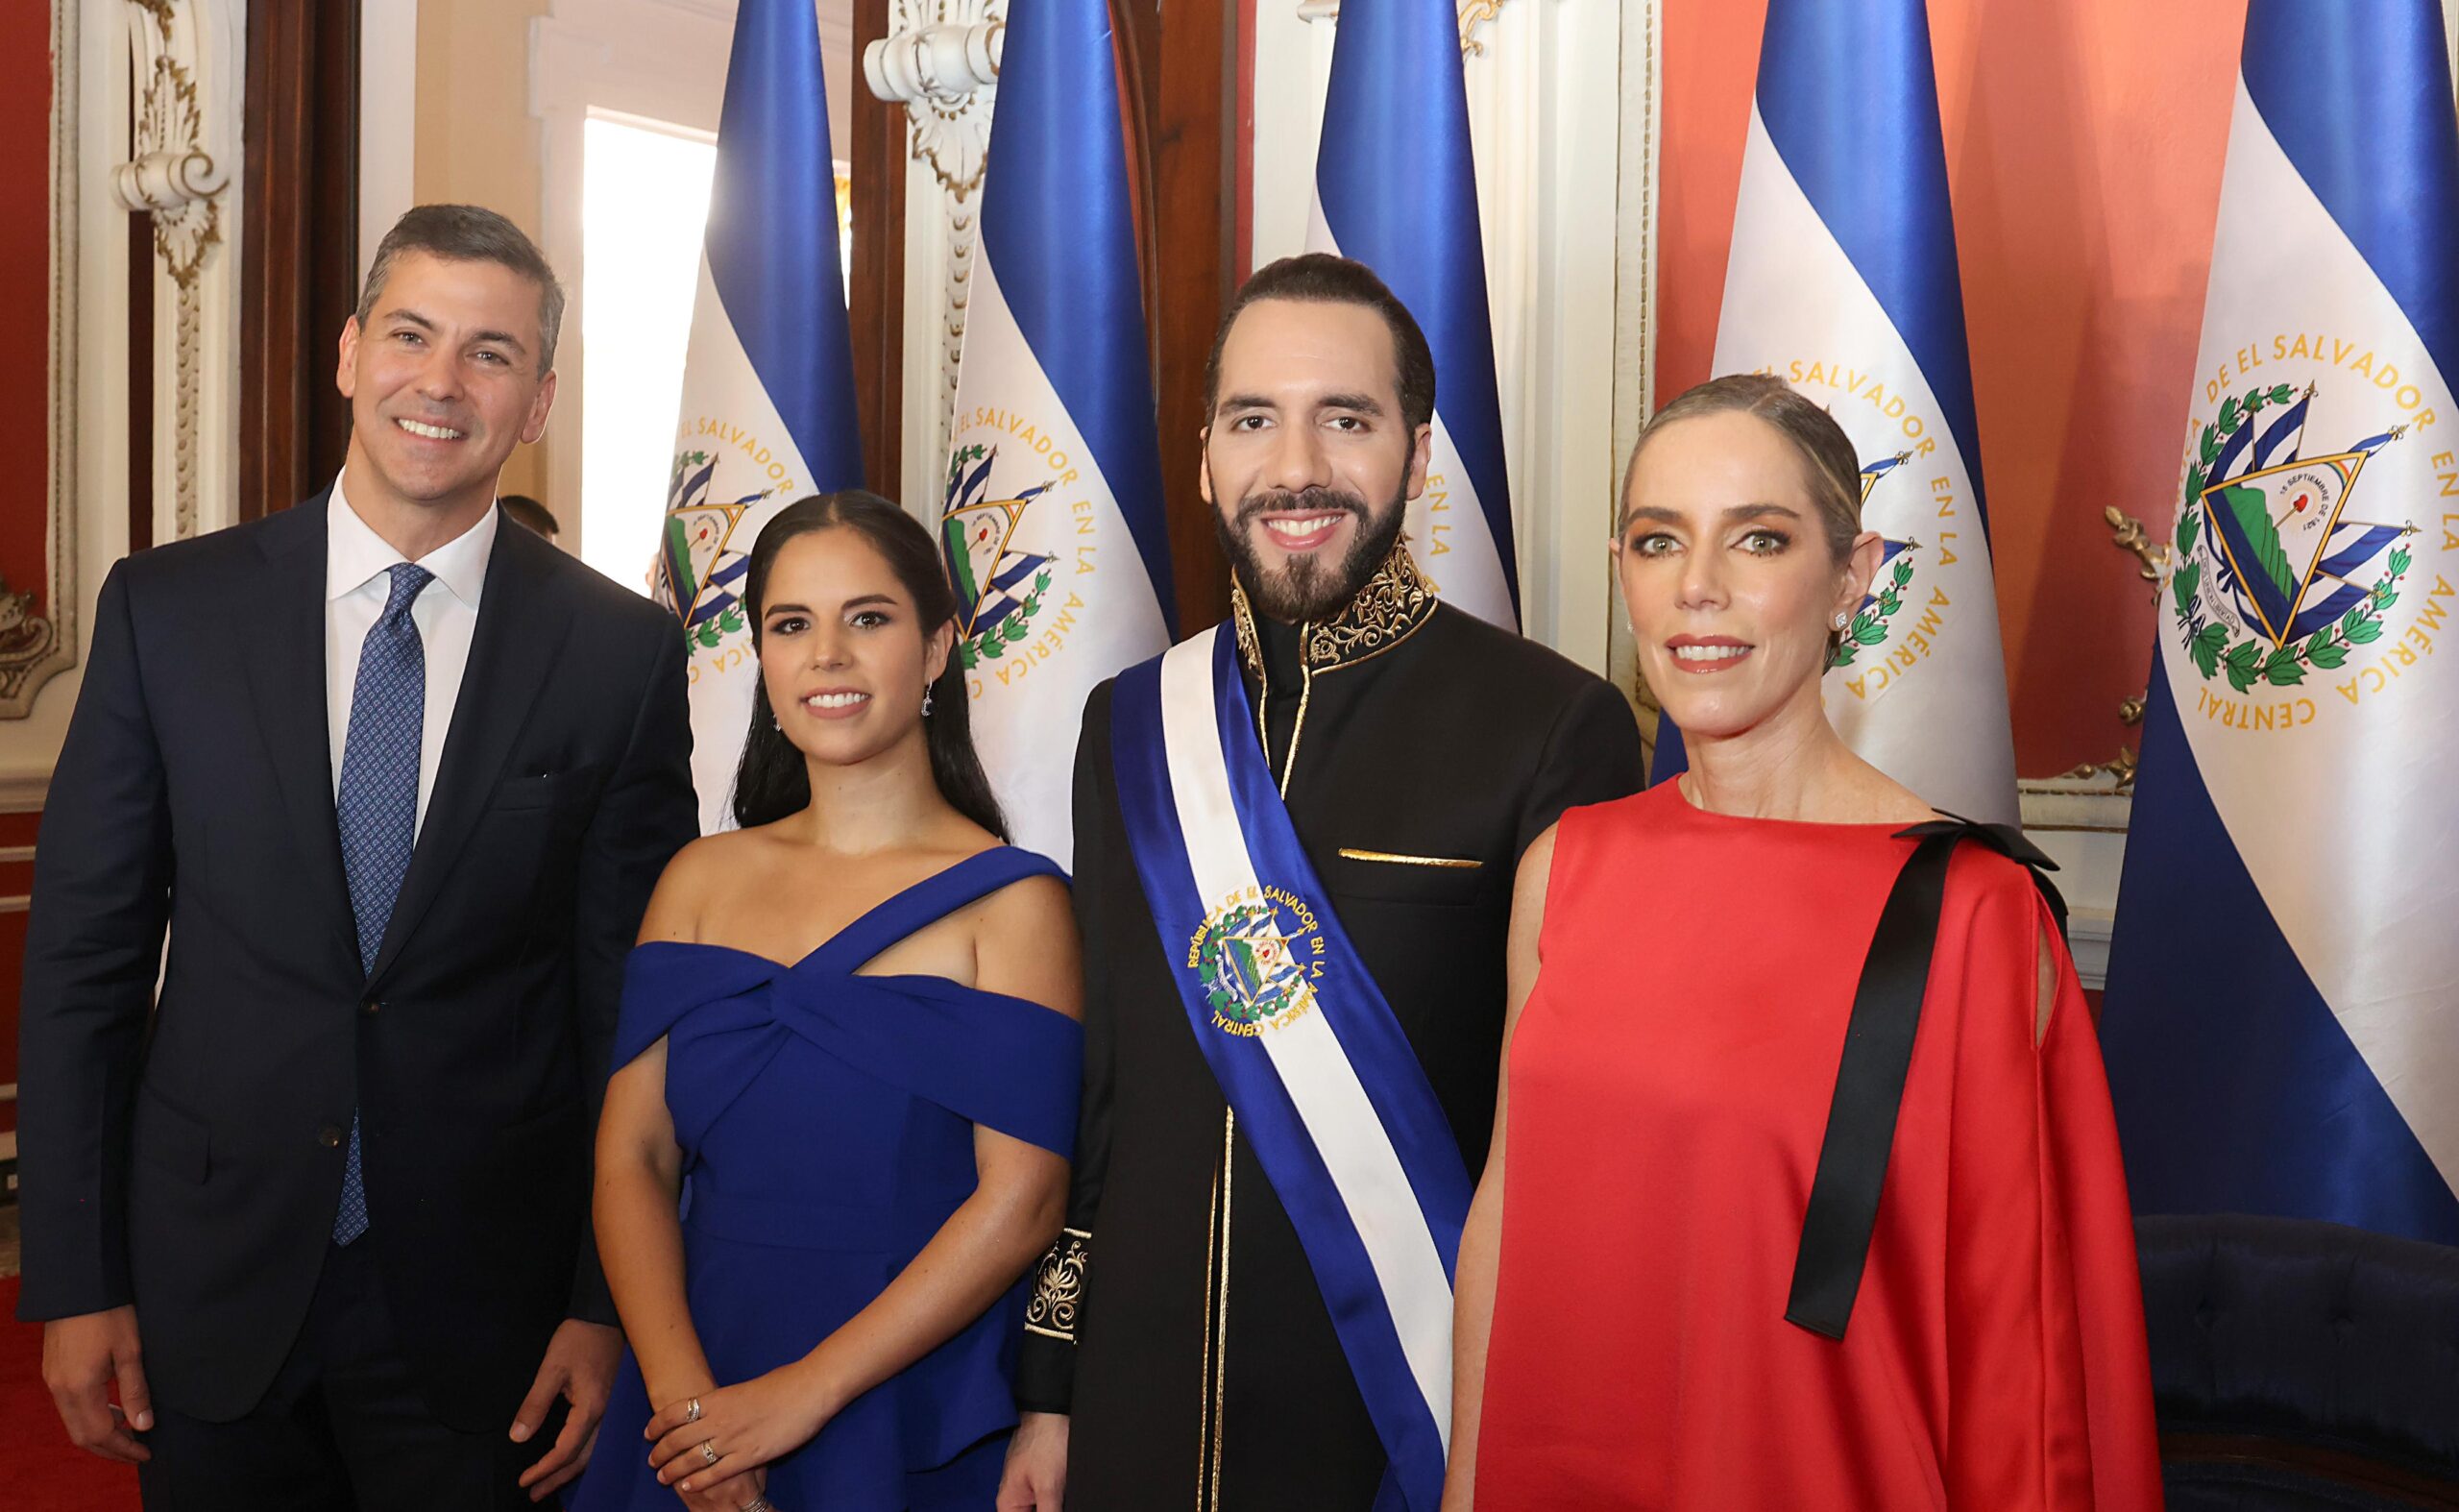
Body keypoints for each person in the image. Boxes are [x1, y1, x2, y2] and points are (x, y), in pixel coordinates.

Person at [17, 204, 699, 1507]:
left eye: (491, 353)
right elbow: (82, 968)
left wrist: (606, 1302)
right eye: (410, 334)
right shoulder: (166, 610)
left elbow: (631, 1010)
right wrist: (77, 1275)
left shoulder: (617, 654)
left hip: (488, 1312)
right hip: (207, 1284)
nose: (440, 382)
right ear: (348, 353)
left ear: (540, 397)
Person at [1445, 374, 2163, 1510]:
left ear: (1850, 580)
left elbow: (2020, 1347)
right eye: (1656, 539)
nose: (1698, 589)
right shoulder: (1566, 867)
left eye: (1760, 541)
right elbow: (1507, 1208)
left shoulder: (1971, 911)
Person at [997, 254, 1643, 1512]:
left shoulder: (1552, 725)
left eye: (1344, 418)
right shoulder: (1129, 725)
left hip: (1401, 1417)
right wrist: (1051, 1387)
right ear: (1203, 458)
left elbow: (1573, 1142)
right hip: (1139, 1410)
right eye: (1254, 419)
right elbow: (1106, 1095)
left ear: (1415, 448)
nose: (1296, 464)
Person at [574, 492, 1083, 1512]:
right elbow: (631, 1160)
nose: (828, 655)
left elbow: (1022, 1202)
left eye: (870, 617)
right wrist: (693, 1416)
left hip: (904, 1397)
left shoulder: (1017, 900)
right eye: (791, 624)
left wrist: (803, 1397)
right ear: (759, 654)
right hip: (693, 1388)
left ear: (939, 647)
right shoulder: (696, 881)